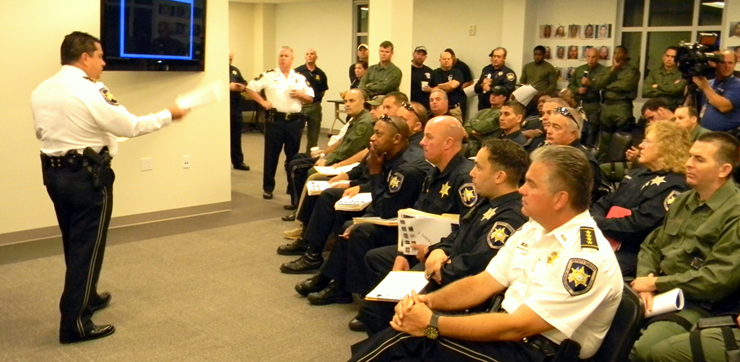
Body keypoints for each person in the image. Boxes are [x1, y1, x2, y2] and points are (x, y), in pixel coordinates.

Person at [348, 145, 624, 362]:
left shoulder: (585, 258)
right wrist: (426, 302)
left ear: (560, 199)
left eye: (532, 185)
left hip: (533, 352)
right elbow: (483, 282)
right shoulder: (535, 228)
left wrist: (431, 324)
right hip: (506, 335)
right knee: (405, 333)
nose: (522, 190)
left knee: (411, 340)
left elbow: (518, 327)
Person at [31, 31, 188, 344]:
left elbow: (41, 131)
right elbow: (129, 126)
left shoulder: (41, 90)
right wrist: (168, 115)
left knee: (74, 243)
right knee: (87, 249)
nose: (103, 63)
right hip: (88, 179)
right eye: (100, 56)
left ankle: (86, 296)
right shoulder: (90, 90)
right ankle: (75, 323)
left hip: (55, 175)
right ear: (85, 57)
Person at [297, 116, 473, 308]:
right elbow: (417, 213)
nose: (422, 142)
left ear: (448, 143)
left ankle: (359, 297)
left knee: (362, 233)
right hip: (421, 234)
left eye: (428, 137)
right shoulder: (435, 172)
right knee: (356, 226)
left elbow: (466, 228)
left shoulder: (452, 175)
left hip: (440, 245)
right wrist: (402, 251)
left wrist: (375, 172)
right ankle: (336, 283)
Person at [357, 138, 529, 335]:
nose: (472, 173)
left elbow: (473, 266)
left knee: (386, 313)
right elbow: (458, 233)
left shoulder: (509, 218)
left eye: (479, 168)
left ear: (499, 177)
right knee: (375, 307)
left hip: (460, 293)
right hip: (444, 272)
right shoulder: (489, 202)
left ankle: (409, 341)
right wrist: (438, 249)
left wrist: (438, 266)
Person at [630, 132, 740, 362]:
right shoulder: (684, 200)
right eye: (690, 156)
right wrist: (646, 283)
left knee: (643, 350)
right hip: (656, 292)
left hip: (696, 303)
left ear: (724, 170)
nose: (688, 163)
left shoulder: (735, 213)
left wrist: (656, 282)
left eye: (699, 159)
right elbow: (652, 245)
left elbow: (716, 280)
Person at [279, 116, 431, 274]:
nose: (372, 138)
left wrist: (374, 173)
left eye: (378, 134)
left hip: (398, 220)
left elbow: (384, 208)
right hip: (381, 199)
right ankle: (312, 252)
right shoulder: (388, 151)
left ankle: (326, 273)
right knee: (330, 196)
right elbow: (372, 178)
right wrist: (360, 181)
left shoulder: (408, 167)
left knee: (352, 224)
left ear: (397, 138)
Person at [591, 121, 690, 278]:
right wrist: (594, 219)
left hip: (634, 252)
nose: (641, 146)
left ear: (667, 147)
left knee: (587, 271)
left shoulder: (676, 186)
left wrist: (595, 222)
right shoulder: (638, 174)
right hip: (604, 237)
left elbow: (639, 226)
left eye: (647, 141)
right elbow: (605, 201)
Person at [284, 89, 373, 209]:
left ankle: (300, 207)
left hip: (346, 163)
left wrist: (328, 161)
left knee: (298, 167)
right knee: (297, 158)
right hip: (338, 157)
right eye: (345, 101)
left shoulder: (364, 123)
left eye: (351, 101)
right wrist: (324, 153)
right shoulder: (356, 118)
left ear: (363, 102)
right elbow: (342, 142)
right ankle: (298, 202)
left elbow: (349, 150)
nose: (347, 104)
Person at [246, 47, 315, 200]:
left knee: (293, 156)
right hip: (275, 120)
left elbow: (310, 98)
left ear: (292, 59)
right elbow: (250, 88)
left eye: (286, 56)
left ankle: (292, 188)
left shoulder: (299, 77)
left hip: (294, 121)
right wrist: (263, 102)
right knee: (271, 155)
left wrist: (300, 95)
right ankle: (268, 188)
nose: (283, 58)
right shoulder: (269, 75)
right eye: (281, 56)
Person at [592, 45, 640, 162]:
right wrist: (613, 69)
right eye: (615, 53)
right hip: (606, 107)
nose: (617, 55)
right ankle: (603, 164)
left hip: (621, 107)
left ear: (626, 55)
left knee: (622, 139)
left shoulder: (632, 70)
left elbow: (625, 85)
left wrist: (606, 86)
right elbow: (597, 83)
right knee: (605, 139)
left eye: (620, 53)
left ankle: (619, 165)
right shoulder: (608, 69)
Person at [546, 106, 603, 203]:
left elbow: (573, 202)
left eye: (556, 127)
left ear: (572, 135)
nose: (549, 131)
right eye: (549, 125)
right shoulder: (550, 151)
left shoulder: (580, 163)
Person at [694, 50, 740, 131]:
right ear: (715, 64)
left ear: (735, 64)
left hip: (726, 136)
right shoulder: (710, 83)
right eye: (723, 63)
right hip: (706, 133)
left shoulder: (737, 84)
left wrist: (705, 88)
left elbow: (724, 107)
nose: (727, 66)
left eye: (730, 63)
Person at [569, 47, 606, 146]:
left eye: (593, 57)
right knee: (578, 130)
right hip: (579, 105)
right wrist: (577, 90)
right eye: (588, 57)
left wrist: (591, 84)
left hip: (594, 106)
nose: (590, 60)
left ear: (598, 57)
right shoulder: (580, 70)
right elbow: (570, 85)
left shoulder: (603, 71)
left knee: (591, 132)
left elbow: (604, 87)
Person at [294, 48, 329, 153]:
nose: (309, 56)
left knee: (313, 134)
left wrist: (316, 100)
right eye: (307, 54)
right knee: (296, 133)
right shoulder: (297, 71)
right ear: (305, 57)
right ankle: (293, 156)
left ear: (316, 57)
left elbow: (323, 90)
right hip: (301, 106)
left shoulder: (321, 73)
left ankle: (309, 157)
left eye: (312, 54)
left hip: (315, 107)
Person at [464, 86, 508, 156]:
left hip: (485, 148)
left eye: (497, 95)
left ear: (504, 98)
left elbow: (481, 127)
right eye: (492, 94)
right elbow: (466, 125)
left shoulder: (501, 114)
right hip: (471, 144)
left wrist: (473, 123)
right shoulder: (483, 111)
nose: (493, 97)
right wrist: (473, 131)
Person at [426, 51, 465, 122]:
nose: (446, 61)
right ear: (440, 60)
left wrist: (438, 86)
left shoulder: (457, 72)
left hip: (453, 109)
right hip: (437, 111)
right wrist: (447, 87)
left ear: (452, 60)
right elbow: (430, 90)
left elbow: (453, 85)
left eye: (448, 59)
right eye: (444, 59)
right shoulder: (434, 73)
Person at [643, 47, 686, 111]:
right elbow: (645, 91)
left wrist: (657, 86)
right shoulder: (654, 72)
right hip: (654, 108)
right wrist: (669, 89)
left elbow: (676, 90)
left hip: (673, 109)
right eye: (667, 56)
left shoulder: (682, 73)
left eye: (673, 57)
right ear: (663, 57)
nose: (669, 59)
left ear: (677, 59)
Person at [228, 51, 249, 171]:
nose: (229, 62)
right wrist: (228, 86)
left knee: (236, 136)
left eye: (231, 59)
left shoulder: (235, 70)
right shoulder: (216, 70)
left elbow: (244, 82)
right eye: (228, 59)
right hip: (223, 108)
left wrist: (242, 87)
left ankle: (238, 162)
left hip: (236, 106)